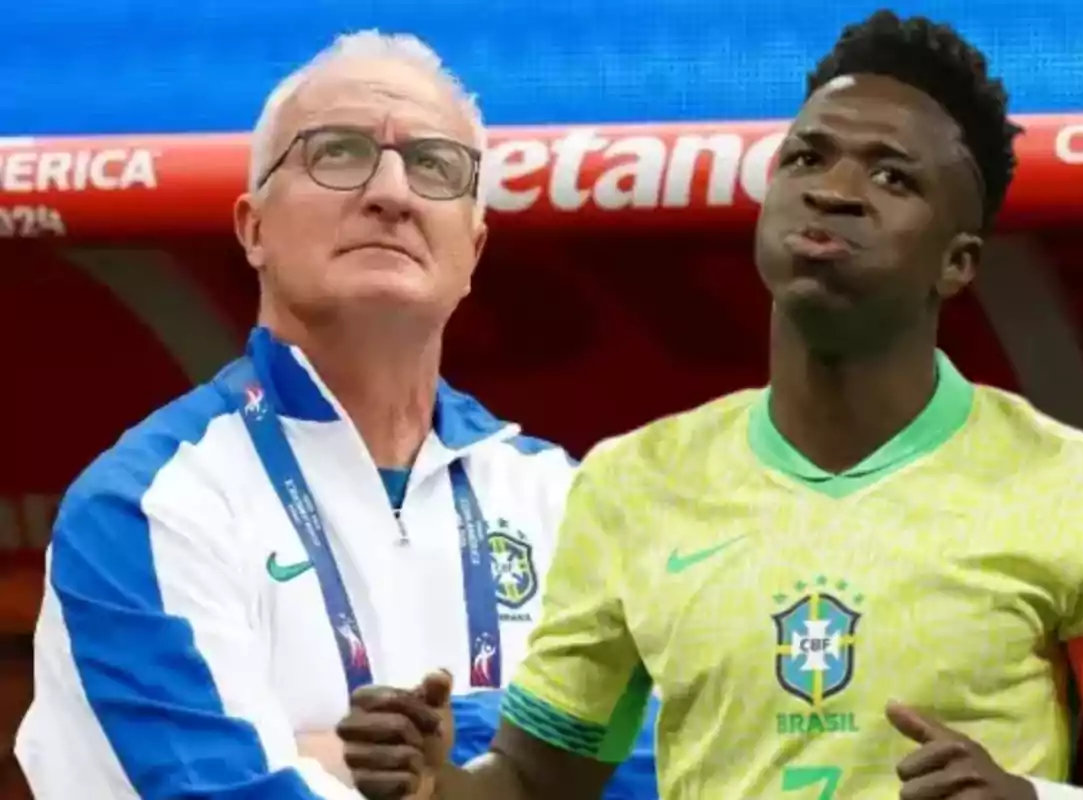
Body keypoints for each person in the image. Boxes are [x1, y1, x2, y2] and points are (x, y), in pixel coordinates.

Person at [333, 11, 1083, 800]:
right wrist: (430, 784)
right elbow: (531, 781)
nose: (834, 190)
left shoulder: (1079, 488)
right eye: (808, 157)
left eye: (893, 178)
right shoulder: (633, 482)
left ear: (957, 262)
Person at [14, 30, 656, 799]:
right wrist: (536, 754)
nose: (392, 192)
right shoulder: (146, 507)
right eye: (340, 153)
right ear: (254, 228)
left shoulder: (571, 501)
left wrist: (351, 752)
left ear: (474, 248)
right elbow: (225, 790)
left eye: (434, 165)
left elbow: (693, 757)